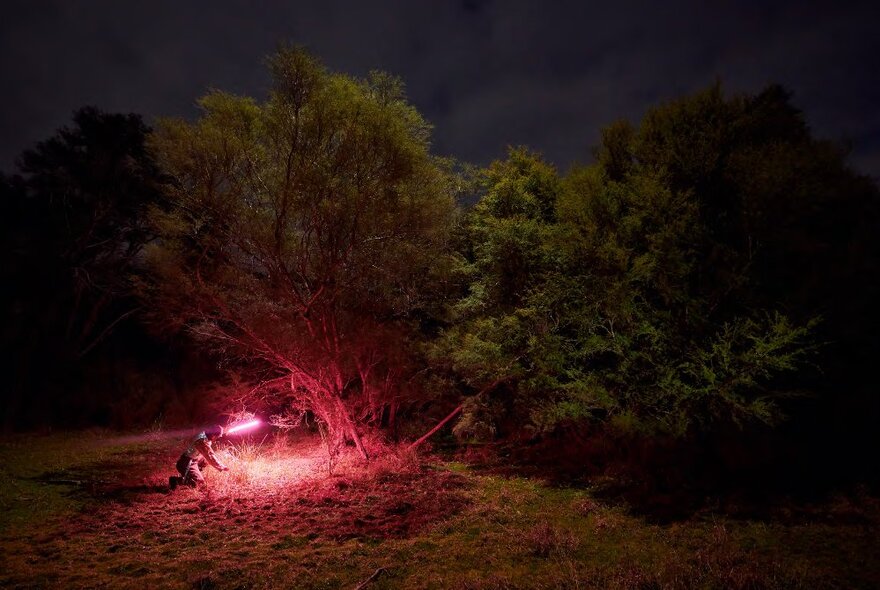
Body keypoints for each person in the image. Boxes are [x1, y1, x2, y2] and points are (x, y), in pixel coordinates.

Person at [169, 425, 229, 490]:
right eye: (217, 437)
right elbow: (210, 456)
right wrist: (221, 467)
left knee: (205, 461)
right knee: (198, 482)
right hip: (187, 462)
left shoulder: (206, 434)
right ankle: (176, 480)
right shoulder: (202, 441)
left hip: (194, 459)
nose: (217, 439)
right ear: (213, 435)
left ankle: (192, 474)